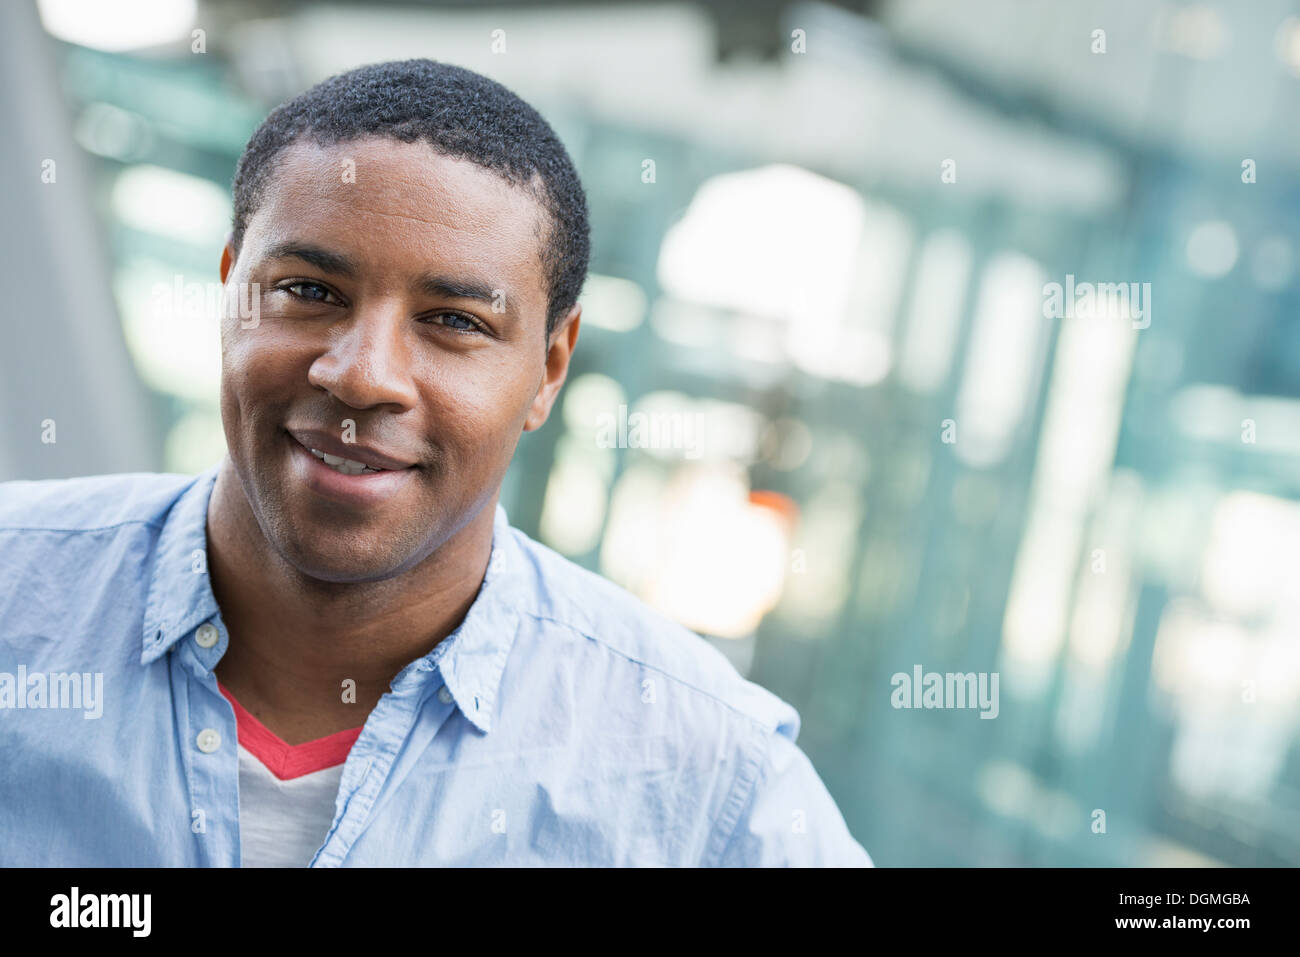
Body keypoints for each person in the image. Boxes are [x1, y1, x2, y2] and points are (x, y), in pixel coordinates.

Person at [0, 59, 872, 867]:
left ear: (549, 369)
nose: (363, 375)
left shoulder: (710, 784)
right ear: (231, 291)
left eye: (454, 320)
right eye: (309, 291)